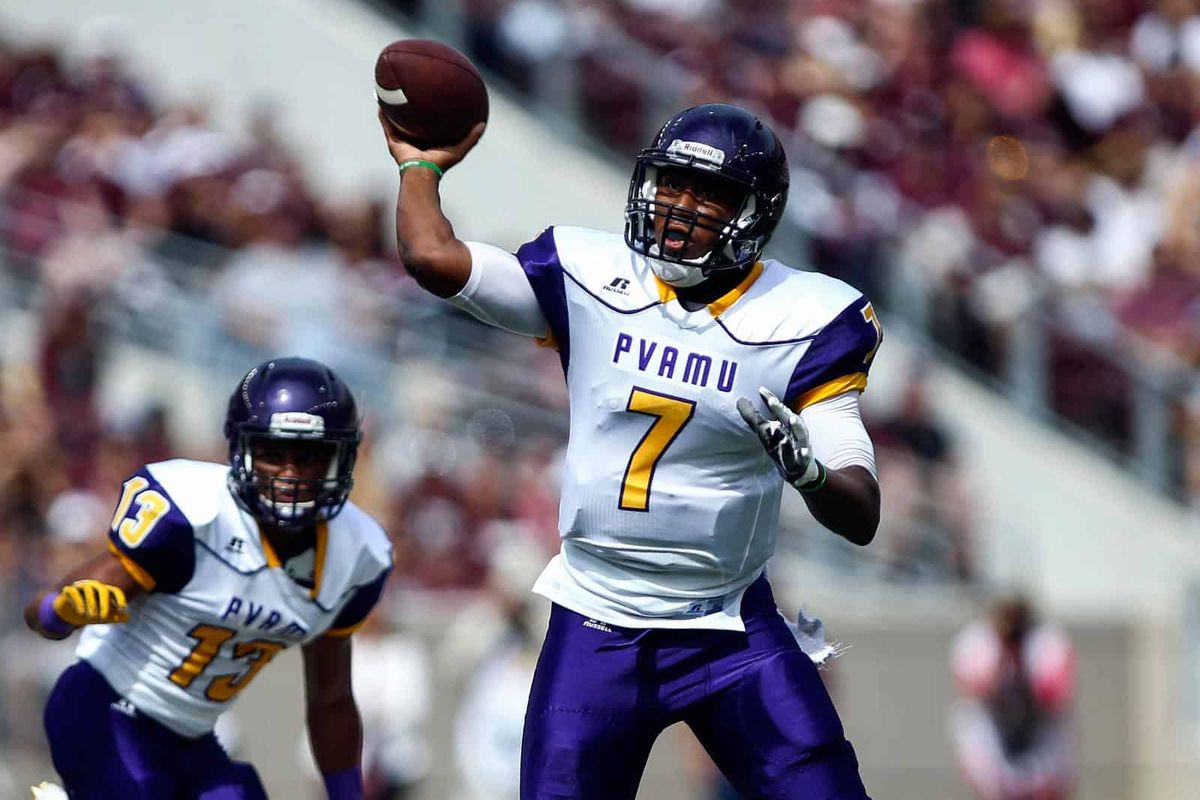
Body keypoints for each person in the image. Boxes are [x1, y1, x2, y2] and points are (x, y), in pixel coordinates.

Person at [381, 101, 883, 798]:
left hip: (728, 627)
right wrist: (418, 167)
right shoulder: (591, 275)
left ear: (756, 214)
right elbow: (434, 258)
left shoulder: (805, 318)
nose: (679, 206)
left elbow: (860, 511)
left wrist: (808, 472)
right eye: (671, 184)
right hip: (596, 620)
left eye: (708, 193)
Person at [23, 357, 393, 800]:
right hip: (104, 713)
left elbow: (331, 699)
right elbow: (45, 610)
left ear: (341, 458)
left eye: (309, 457)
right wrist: (61, 611)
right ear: (241, 452)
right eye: (273, 454)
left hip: (193, 738)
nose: (290, 474)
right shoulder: (193, 514)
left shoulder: (356, 553)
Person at [950, 595, 1075, 800]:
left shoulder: (1048, 642)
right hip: (993, 725)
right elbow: (973, 688)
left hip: (1039, 726)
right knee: (968, 721)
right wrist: (1002, 656)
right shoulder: (976, 642)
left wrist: (1022, 664)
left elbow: (1052, 696)